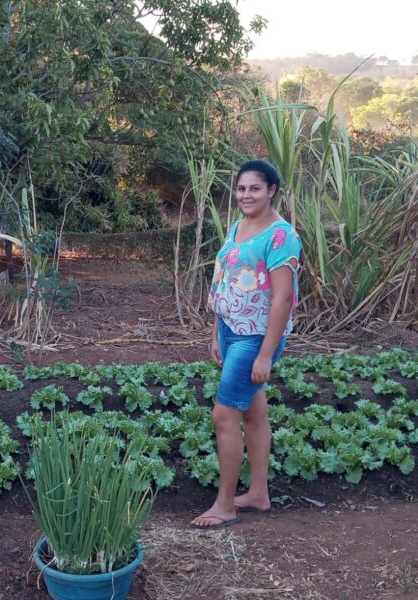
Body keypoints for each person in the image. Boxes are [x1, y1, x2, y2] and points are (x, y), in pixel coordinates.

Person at [191, 160, 302, 529]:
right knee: (254, 414)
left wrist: (266, 353)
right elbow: (224, 279)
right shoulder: (238, 227)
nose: (245, 195)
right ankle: (257, 494)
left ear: (271, 190)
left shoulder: (281, 235)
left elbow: (283, 298)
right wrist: (215, 334)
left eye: (254, 188)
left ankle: (225, 505)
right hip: (230, 331)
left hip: (255, 337)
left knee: (223, 415)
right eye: (241, 189)